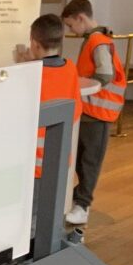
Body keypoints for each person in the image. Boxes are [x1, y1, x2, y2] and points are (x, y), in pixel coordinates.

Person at [61, 0, 127, 226]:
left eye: (71, 25)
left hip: (99, 112)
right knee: (83, 159)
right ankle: (79, 199)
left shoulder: (97, 41)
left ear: (81, 18)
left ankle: (83, 204)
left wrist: (88, 85)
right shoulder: (95, 40)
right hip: (91, 110)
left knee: (89, 161)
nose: (71, 30)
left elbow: (106, 74)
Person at [26, 15, 82, 210]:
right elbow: (76, 110)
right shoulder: (71, 68)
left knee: (31, 213)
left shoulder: (32, 73)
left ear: (34, 43)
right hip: (59, 157)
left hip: (33, 161)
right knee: (52, 210)